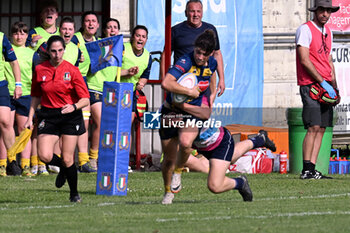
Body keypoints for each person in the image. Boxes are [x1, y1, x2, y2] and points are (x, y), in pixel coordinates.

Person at [161, 92, 277, 204]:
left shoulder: (197, 108)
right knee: (230, 158)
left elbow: (186, 140)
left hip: (220, 142)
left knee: (215, 186)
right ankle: (260, 139)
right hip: (202, 147)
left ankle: (240, 182)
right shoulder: (166, 112)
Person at [24, 36, 89, 202]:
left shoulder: (72, 71)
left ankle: (74, 194)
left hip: (70, 116)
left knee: (68, 158)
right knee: (44, 155)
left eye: (60, 50)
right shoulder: (39, 69)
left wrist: (73, 107)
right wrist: (29, 118)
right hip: (49, 115)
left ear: (64, 50)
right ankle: (65, 170)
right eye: (53, 51)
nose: (57, 54)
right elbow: (36, 96)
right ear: (48, 51)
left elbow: (85, 99)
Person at [160, 29, 217, 204]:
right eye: (198, 52)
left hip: (191, 111)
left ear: (211, 54)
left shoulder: (212, 63)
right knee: (168, 159)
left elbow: (211, 81)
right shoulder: (185, 61)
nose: (200, 57)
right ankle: (168, 192)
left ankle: (179, 171)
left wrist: (210, 99)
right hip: (171, 110)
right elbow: (166, 83)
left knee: (186, 143)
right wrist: (189, 91)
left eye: (204, 55)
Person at [295, 0, 339, 179]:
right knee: (312, 126)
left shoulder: (329, 31)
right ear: (316, 11)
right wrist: (322, 82)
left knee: (322, 128)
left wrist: (334, 86)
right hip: (310, 84)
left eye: (328, 11)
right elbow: (304, 59)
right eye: (322, 10)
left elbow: (328, 60)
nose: (325, 14)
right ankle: (306, 169)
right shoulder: (305, 29)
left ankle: (312, 168)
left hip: (325, 85)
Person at [160, 0, 225, 97]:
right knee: (182, 110)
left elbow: (217, 54)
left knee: (203, 110)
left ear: (202, 13)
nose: (195, 15)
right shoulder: (175, 31)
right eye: (192, 11)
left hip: (203, 82)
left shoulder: (210, 30)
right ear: (186, 13)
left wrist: (222, 79)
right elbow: (165, 56)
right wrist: (164, 78)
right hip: (182, 83)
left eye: (198, 11)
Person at [0, 22, 39, 177]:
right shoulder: (7, 47)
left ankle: (25, 164)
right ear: (11, 35)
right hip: (7, 92)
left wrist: (20, 86)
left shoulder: (32, 53)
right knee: (5, 126)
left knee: (24, 130)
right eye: (16, 33)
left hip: (25, 94)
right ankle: (4, 164)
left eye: (23, 33)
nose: (19, 36)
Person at [71, 11, 100, 172]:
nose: (90, 24)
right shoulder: (75, 39)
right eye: (87, 21)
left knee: (85, 122)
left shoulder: (97, 42)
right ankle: (66, 160)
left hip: (85, 85)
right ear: (82, 24)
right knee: (72, 123)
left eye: (93, 21)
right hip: (72, 83)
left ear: (97, 25)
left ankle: (85, 161)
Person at [0, 29, 22, 176]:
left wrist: (18, 84)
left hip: (0, 85)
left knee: (6, 122)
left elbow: (14, 62)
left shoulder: (1, 37)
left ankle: (12, 161)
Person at [121, 25, 152, 123]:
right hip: (116, 90)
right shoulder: (122, 48)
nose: (140, 39)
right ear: (132, 37)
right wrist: (127, 72)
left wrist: (141, 83)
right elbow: (110, 71)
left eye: (143, 37)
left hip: (131, 93)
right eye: (138, 36)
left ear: (146, 39)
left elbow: (145, 76)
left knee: (127, 124)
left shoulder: (148, 56)